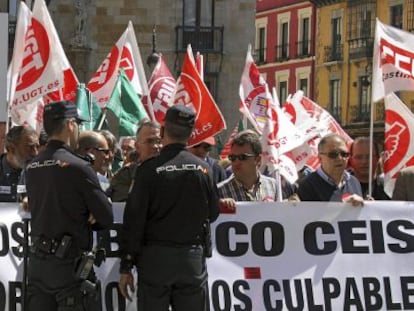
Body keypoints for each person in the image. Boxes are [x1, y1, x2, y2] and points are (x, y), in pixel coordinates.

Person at [119, 105, 219, 310]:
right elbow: (213, 213)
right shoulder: (205, 168)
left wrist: (126, 265)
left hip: (156, 262)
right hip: (191, 260)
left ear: (163, 132)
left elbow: (134, 221)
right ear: (192, 134)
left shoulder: (148, 170)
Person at [25, 101, 113, 311]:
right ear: (70, 125)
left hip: (38, 264)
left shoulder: (32, 166)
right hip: (69, 268)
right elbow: (106, 217)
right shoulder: (79, 167)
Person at [218, 129, 286, 211]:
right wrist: (219, 206)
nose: (236, 162)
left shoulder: (273, 186)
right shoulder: (219, 191)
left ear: (257, 160)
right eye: (233, 158)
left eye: (242, 157)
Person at [297, 133, 364, 205]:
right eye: (333, 154)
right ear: (320, 158)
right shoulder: (307, 186)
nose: (340, 158)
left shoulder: (354, 182)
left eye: (344, 154)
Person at [110, 121, 162, 202]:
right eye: (149, 141)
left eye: (159, 141)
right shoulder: (127, 175)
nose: (156, 146)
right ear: (137, 146)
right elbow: (122, 205)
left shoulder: (175, 170)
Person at [0, 125, 39, 202]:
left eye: (37, 147)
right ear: (11, 148)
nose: (35, 153)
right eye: (30, 147)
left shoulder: (38, 172)